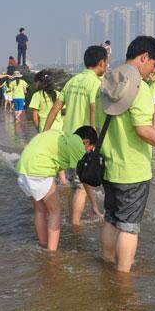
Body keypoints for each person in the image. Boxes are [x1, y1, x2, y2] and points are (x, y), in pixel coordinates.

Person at [96, 36, 155, 273]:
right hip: (132, 170)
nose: (153, 70)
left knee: (111, 218)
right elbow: (143, 130)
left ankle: (106, 264)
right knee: (128, 226)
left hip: (108, 166)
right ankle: (122, 279)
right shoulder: (140, 88)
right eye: (153, 63)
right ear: (144, 57)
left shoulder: (107, 82)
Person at [44, 45, 107, 226]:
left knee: (74, 183)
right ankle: (75, 224)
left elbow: (56, 108)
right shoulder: (95, 83)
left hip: (66, 139)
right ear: (101, 63)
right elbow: (93, 110)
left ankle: (74, 220)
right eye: (106, 64)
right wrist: (94, 142)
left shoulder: (72, 81)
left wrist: (44, 133)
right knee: (80, 186)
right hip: (84, 141)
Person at [16, 126, 98, 251]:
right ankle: (51, 253)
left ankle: (43, 245)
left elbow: (57, 158)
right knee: (55, 212)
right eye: (91, 148)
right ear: (85, 141)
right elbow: (84, 179)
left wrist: (63, 180)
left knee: (40, 210)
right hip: (40, 171)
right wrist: (94, 204)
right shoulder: (78, 144)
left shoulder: (62, 137)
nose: (90, 151)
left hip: (23, 169)